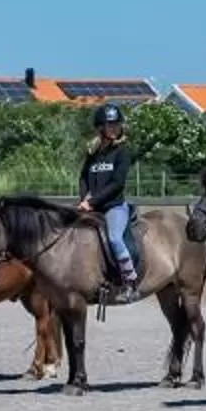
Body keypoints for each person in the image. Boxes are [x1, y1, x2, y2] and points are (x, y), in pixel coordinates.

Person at [75, 104, 139, 296]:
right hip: (91, 207)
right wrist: (83, 198)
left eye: (116, 124)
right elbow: (84, 177)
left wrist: (91, 203)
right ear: (100, 127)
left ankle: (130, 282)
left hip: (114, 207)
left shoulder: (122, 153)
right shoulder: (93, 154)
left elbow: (117, 184)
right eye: (109, 125)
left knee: (114, 238)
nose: (114, 128)